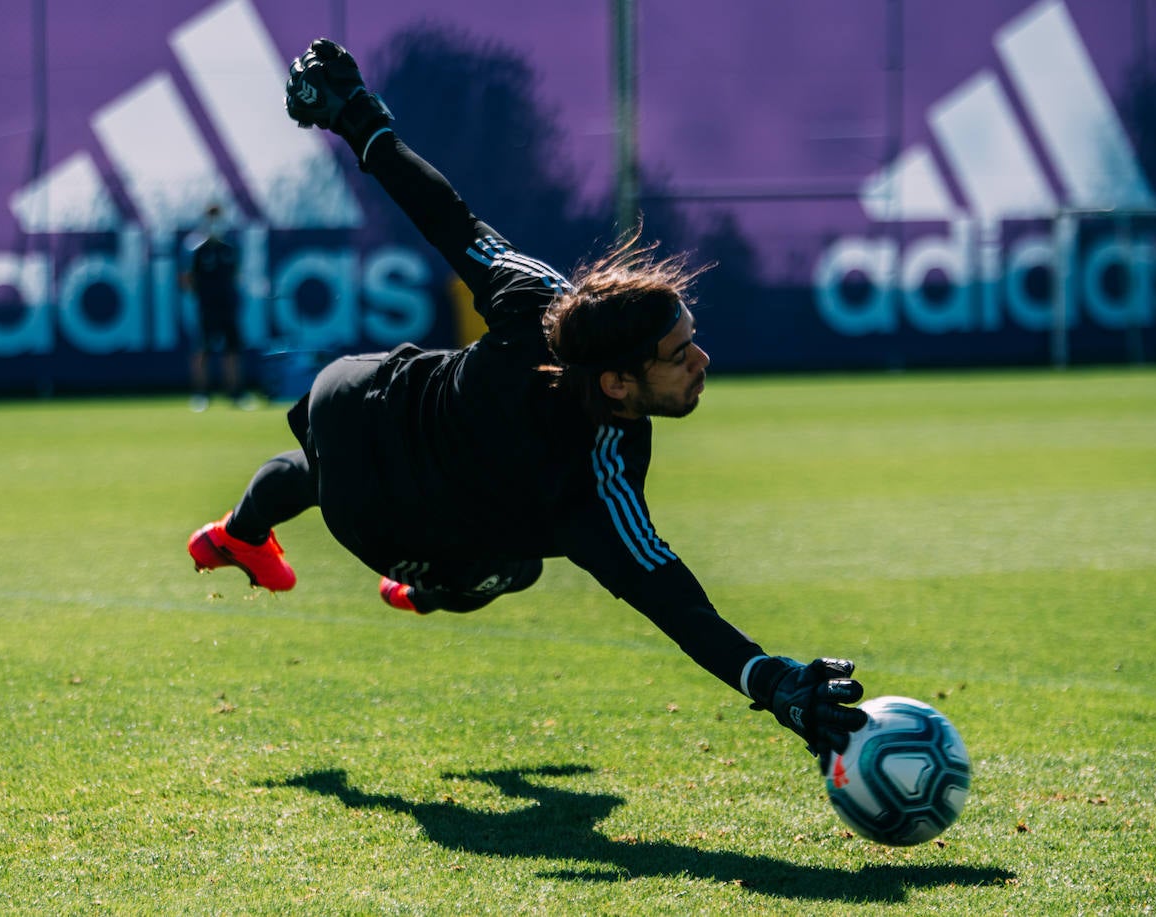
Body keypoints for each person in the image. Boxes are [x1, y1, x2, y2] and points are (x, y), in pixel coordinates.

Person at [186, 39, 866, 762]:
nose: (702, 362)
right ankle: (420, 586)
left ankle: (237, 532)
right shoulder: (599, 478)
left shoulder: (544, 300)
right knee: (515, 565)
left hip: (353, 400)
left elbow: (445, 215)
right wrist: (770, 680)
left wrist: (356, 114)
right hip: (387, 528)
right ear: (616, 383)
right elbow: (668, 592)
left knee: (326, 466)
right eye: (678, 356)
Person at [183, 203, 249, 411]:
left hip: (228, 307)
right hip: (206, 307)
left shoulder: (229, 249)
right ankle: (201, 394)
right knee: (202, 350)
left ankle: (235, 393)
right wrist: (203, 296)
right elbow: (187, 279)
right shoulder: (197, 250)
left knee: (232, 351)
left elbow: (237, 276)